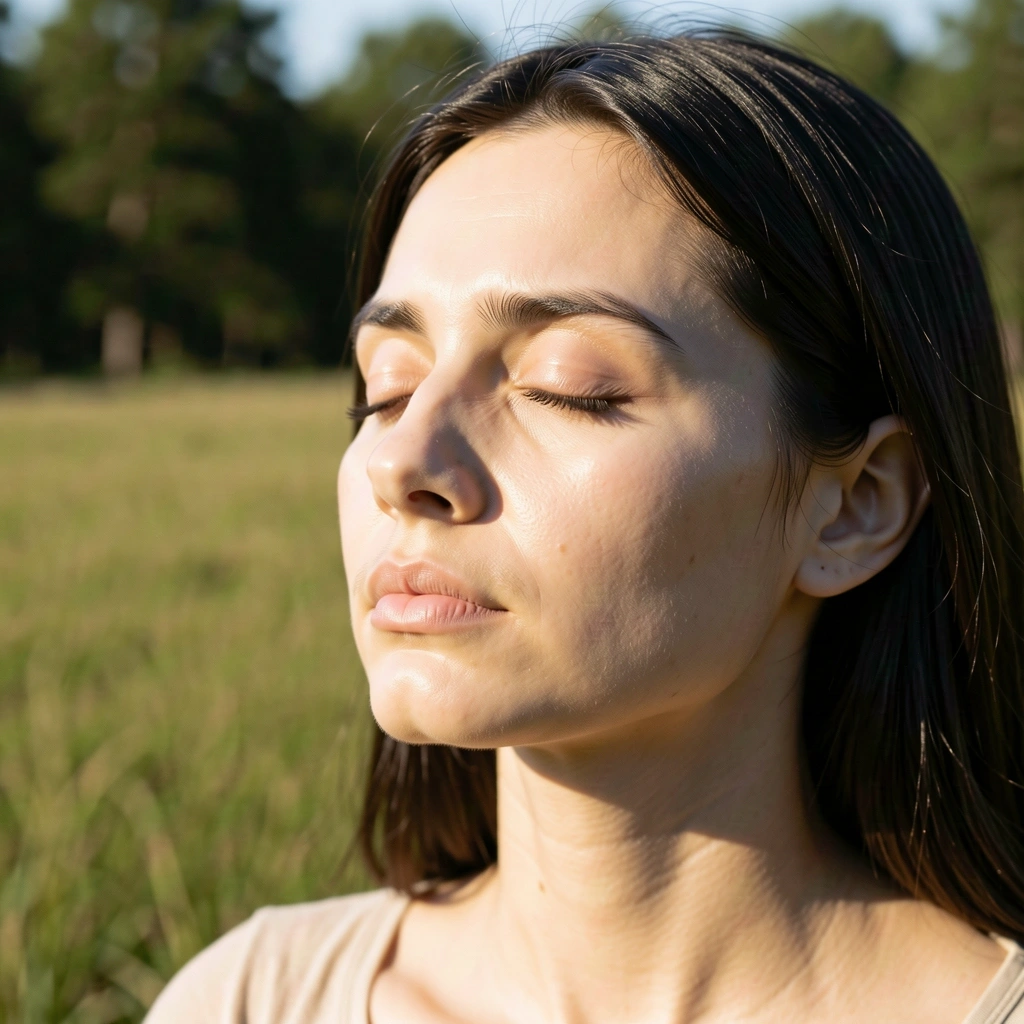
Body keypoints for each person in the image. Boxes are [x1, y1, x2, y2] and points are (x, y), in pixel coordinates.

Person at [146, 30, 1024, 1024]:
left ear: (855, 504)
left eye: (568, 386)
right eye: (387, 387)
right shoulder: (250, 998)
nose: (400, 463)